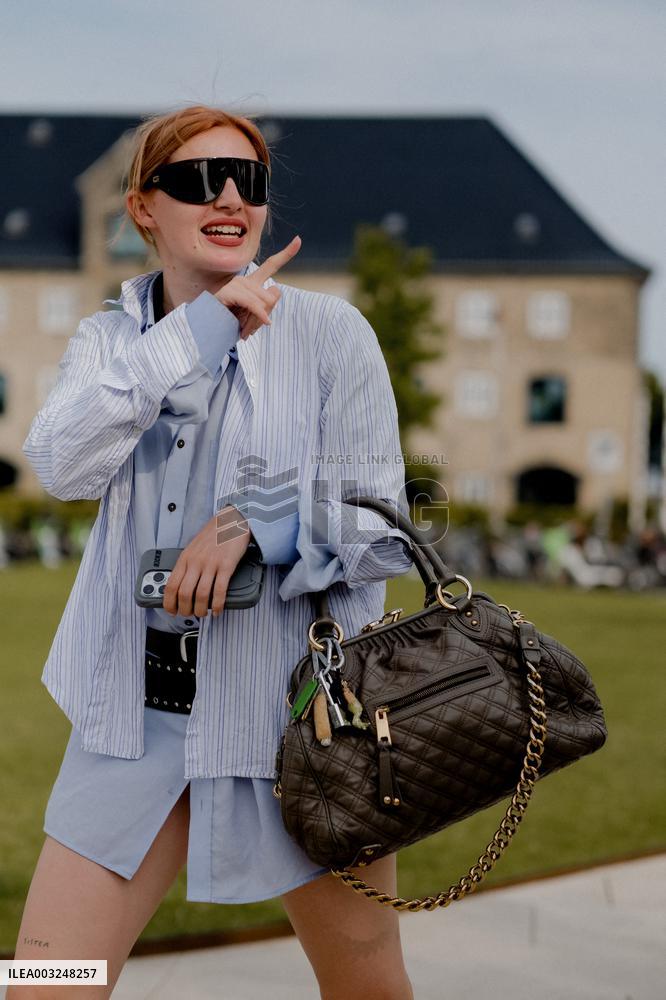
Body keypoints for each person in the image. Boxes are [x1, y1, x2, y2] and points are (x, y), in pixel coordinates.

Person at [11, 105, 416, 999]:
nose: (230, 197)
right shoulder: (110, 345)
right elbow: (63, 463)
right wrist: (196, 335)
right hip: (130, 722)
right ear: (142, 207)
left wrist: (251, 521)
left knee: (365, 984)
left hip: (299, 728)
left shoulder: (330, 336)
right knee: (45, 981)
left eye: (250, 180)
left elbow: (387, 520)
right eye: (199, 180)